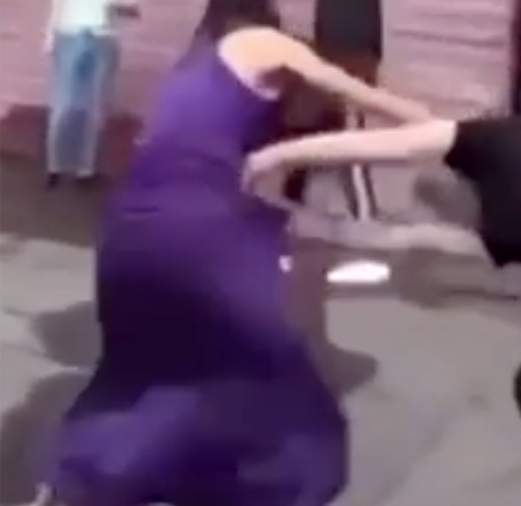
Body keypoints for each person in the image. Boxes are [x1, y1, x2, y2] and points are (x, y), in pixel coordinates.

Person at [29, 0, 429, 504]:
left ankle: (84, 477)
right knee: (254, 359)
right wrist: (450, 132)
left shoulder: (192, 73)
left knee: (147, 363)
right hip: (198, 231)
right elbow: (362, 95)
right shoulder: (260, 43)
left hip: (132, 226)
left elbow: (209, 162)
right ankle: (229, 473)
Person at [244, 115, 521, 506]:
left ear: (457, 178)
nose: (456, 216)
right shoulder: (501, 226)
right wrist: (290, 217)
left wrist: (278, 155)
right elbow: (396, 239)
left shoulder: (497, 139)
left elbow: (387, 144)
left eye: (446, 206)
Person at [43, 0, 140, 188]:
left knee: (95, 108)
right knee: (63, 106)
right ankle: (55, 166)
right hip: (69, 34)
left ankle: (85, 169)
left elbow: (133, 10)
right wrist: (50, 36)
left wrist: (117, 5)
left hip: (102, 37)